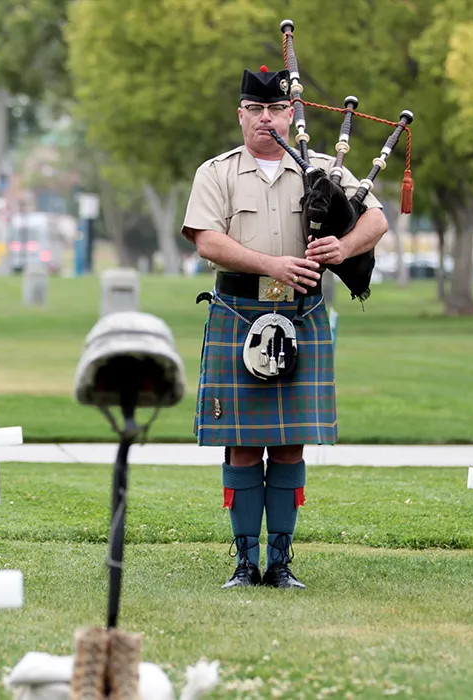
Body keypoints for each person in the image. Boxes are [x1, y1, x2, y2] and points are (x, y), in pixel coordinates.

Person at [180, 65, 389, 590]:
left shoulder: (320, 168)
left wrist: (343, 247)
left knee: (291, 443)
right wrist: (270, 264)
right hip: (238, 311)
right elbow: (206, 240)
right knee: (244, 445)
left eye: (276, 109)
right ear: (241, 115)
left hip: (304, 313)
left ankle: (282, 563)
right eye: (256, 109)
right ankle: (245, 563)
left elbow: (377, 220)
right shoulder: (218, 173)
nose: (266, 118)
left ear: (291, 112)